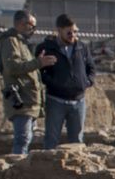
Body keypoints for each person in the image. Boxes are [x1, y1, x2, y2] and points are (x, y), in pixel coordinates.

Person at [0, 7, 57, 156]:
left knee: (27, 139)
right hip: (21, 100)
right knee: (22, 140)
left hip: (29, 100)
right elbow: (12, 67)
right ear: (20, 24)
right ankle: (17, 168)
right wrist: (38, 63)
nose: (33, 29)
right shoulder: (11, 41)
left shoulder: (21, 43)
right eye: (31, 25)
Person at [38, 14, 93, 148]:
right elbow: (39, 72)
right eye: (69, 32)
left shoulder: (82, 47)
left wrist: (86, 82)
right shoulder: (46, 48)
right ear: (59, 30)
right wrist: (53, 83)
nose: (72, 35)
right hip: (56, 101)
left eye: (75, 32)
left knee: (77, 140)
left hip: (78, 101)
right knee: (51, 139)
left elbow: (91, 68)